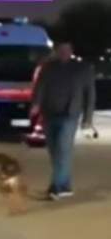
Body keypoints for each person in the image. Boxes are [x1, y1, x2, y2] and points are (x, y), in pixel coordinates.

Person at [30, 42, 96, 200]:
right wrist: (36, 104)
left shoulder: (82, 69)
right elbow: (40, 87)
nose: (63, 52)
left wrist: (87, 119)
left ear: (71, 51)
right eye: (60, 50)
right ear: (56, 51)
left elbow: (90, 94)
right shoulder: (48, 68)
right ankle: (65, 186)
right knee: (54, 152)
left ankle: (56, 188)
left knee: (63, 149)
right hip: (49, 113)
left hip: (70, 114)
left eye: (66, 49)